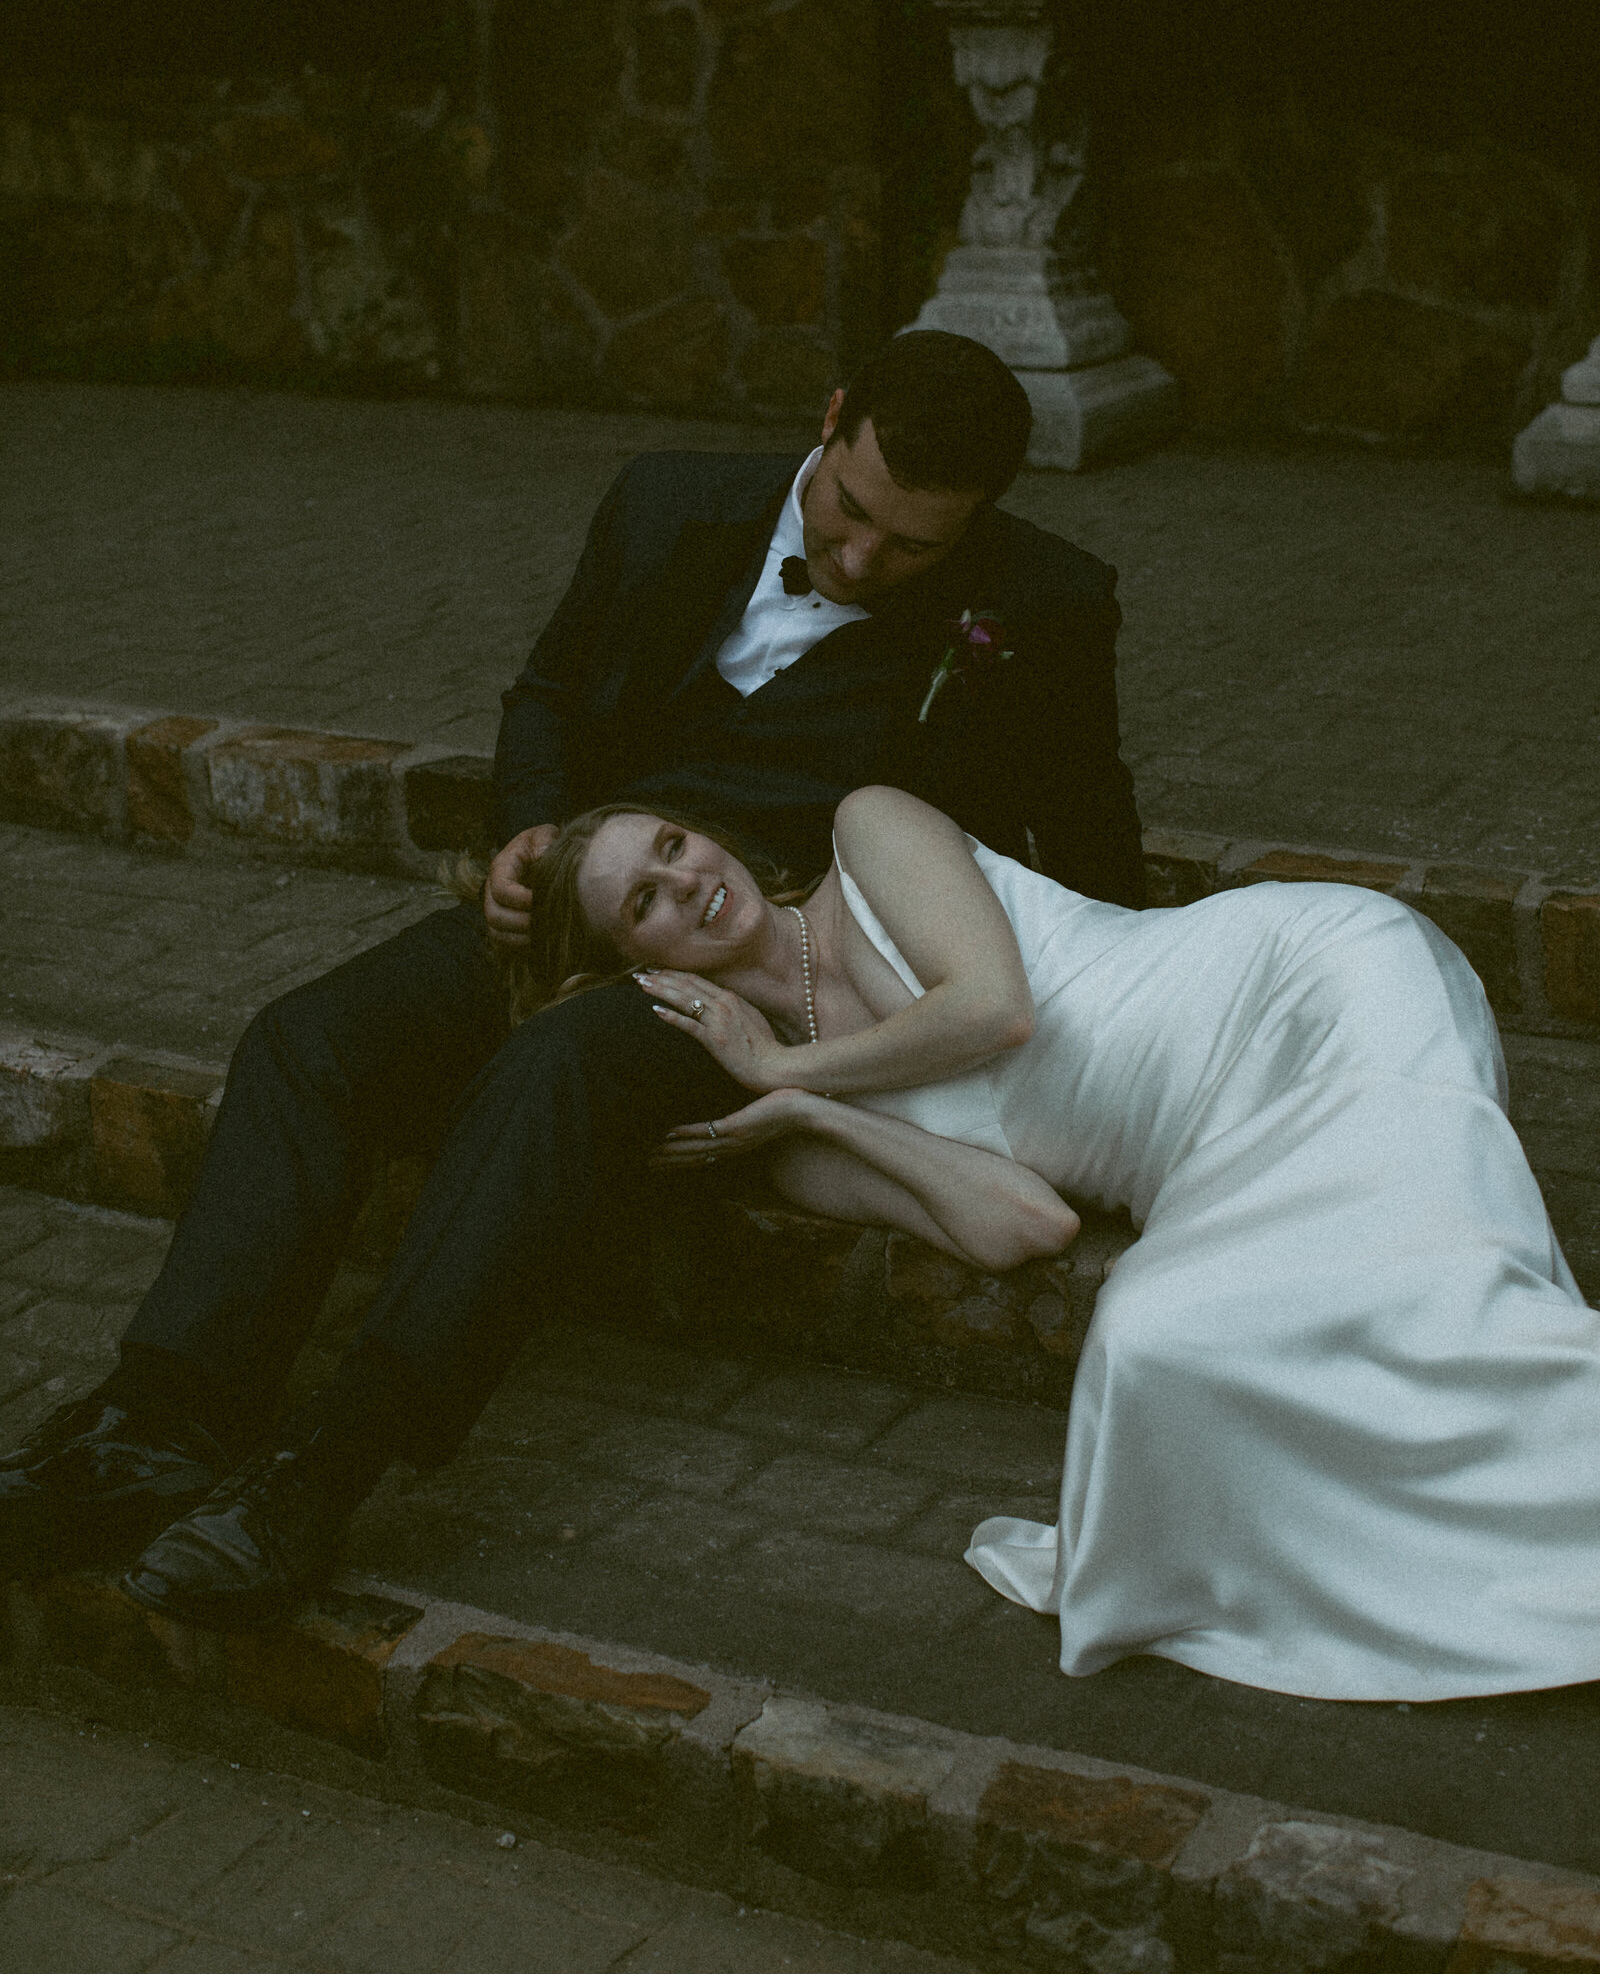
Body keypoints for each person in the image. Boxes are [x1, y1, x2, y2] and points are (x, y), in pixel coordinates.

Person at [0, 330, 1146, 1627]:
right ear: (828, 425)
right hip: (587, 895)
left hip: (757, 947)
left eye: (913, 547)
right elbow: (546, 693)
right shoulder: (666, 500)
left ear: (984, 520)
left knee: (553, 1069)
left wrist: (1133, 999)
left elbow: (1085, 811)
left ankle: (321, 1471)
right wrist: (530, 836)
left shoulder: (1044, 602)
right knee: (308, 1041)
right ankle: (158, 1429)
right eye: (848, 511)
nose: (864, 559)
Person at [455, 783, 1600, 1704]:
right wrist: (805, 1110)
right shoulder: (801, 1143)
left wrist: (779, 1069)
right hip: (1214, 1151)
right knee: (1152, 1339)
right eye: (646, 899)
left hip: (1313, 990)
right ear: (636, 971)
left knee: (1432, 1284)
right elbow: (1026, 1223)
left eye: (675, 843)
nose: (689, 879)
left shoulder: (869, 834)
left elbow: (992, 1009)